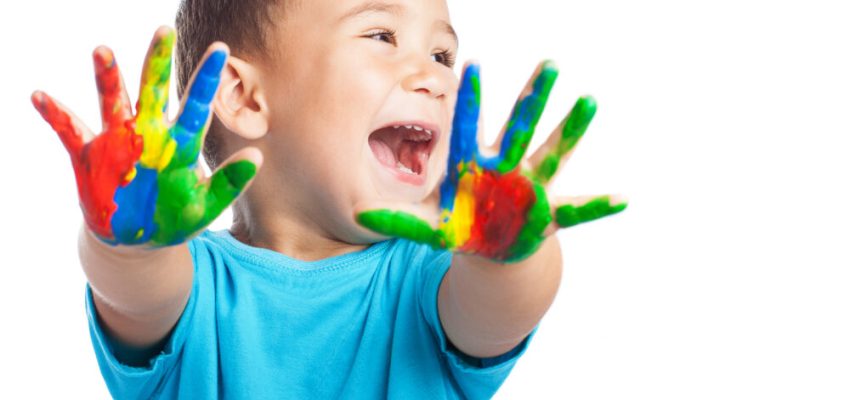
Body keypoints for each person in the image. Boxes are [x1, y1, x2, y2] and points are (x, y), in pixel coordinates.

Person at [31, 0, 626, 398]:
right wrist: (128, 243)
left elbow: (499, 311)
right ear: (244, 98)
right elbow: (136, 293)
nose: (437, 76)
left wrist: (511, 254)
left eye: (442, 54)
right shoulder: (190, 281)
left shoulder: (431, 279)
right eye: (382, 36)